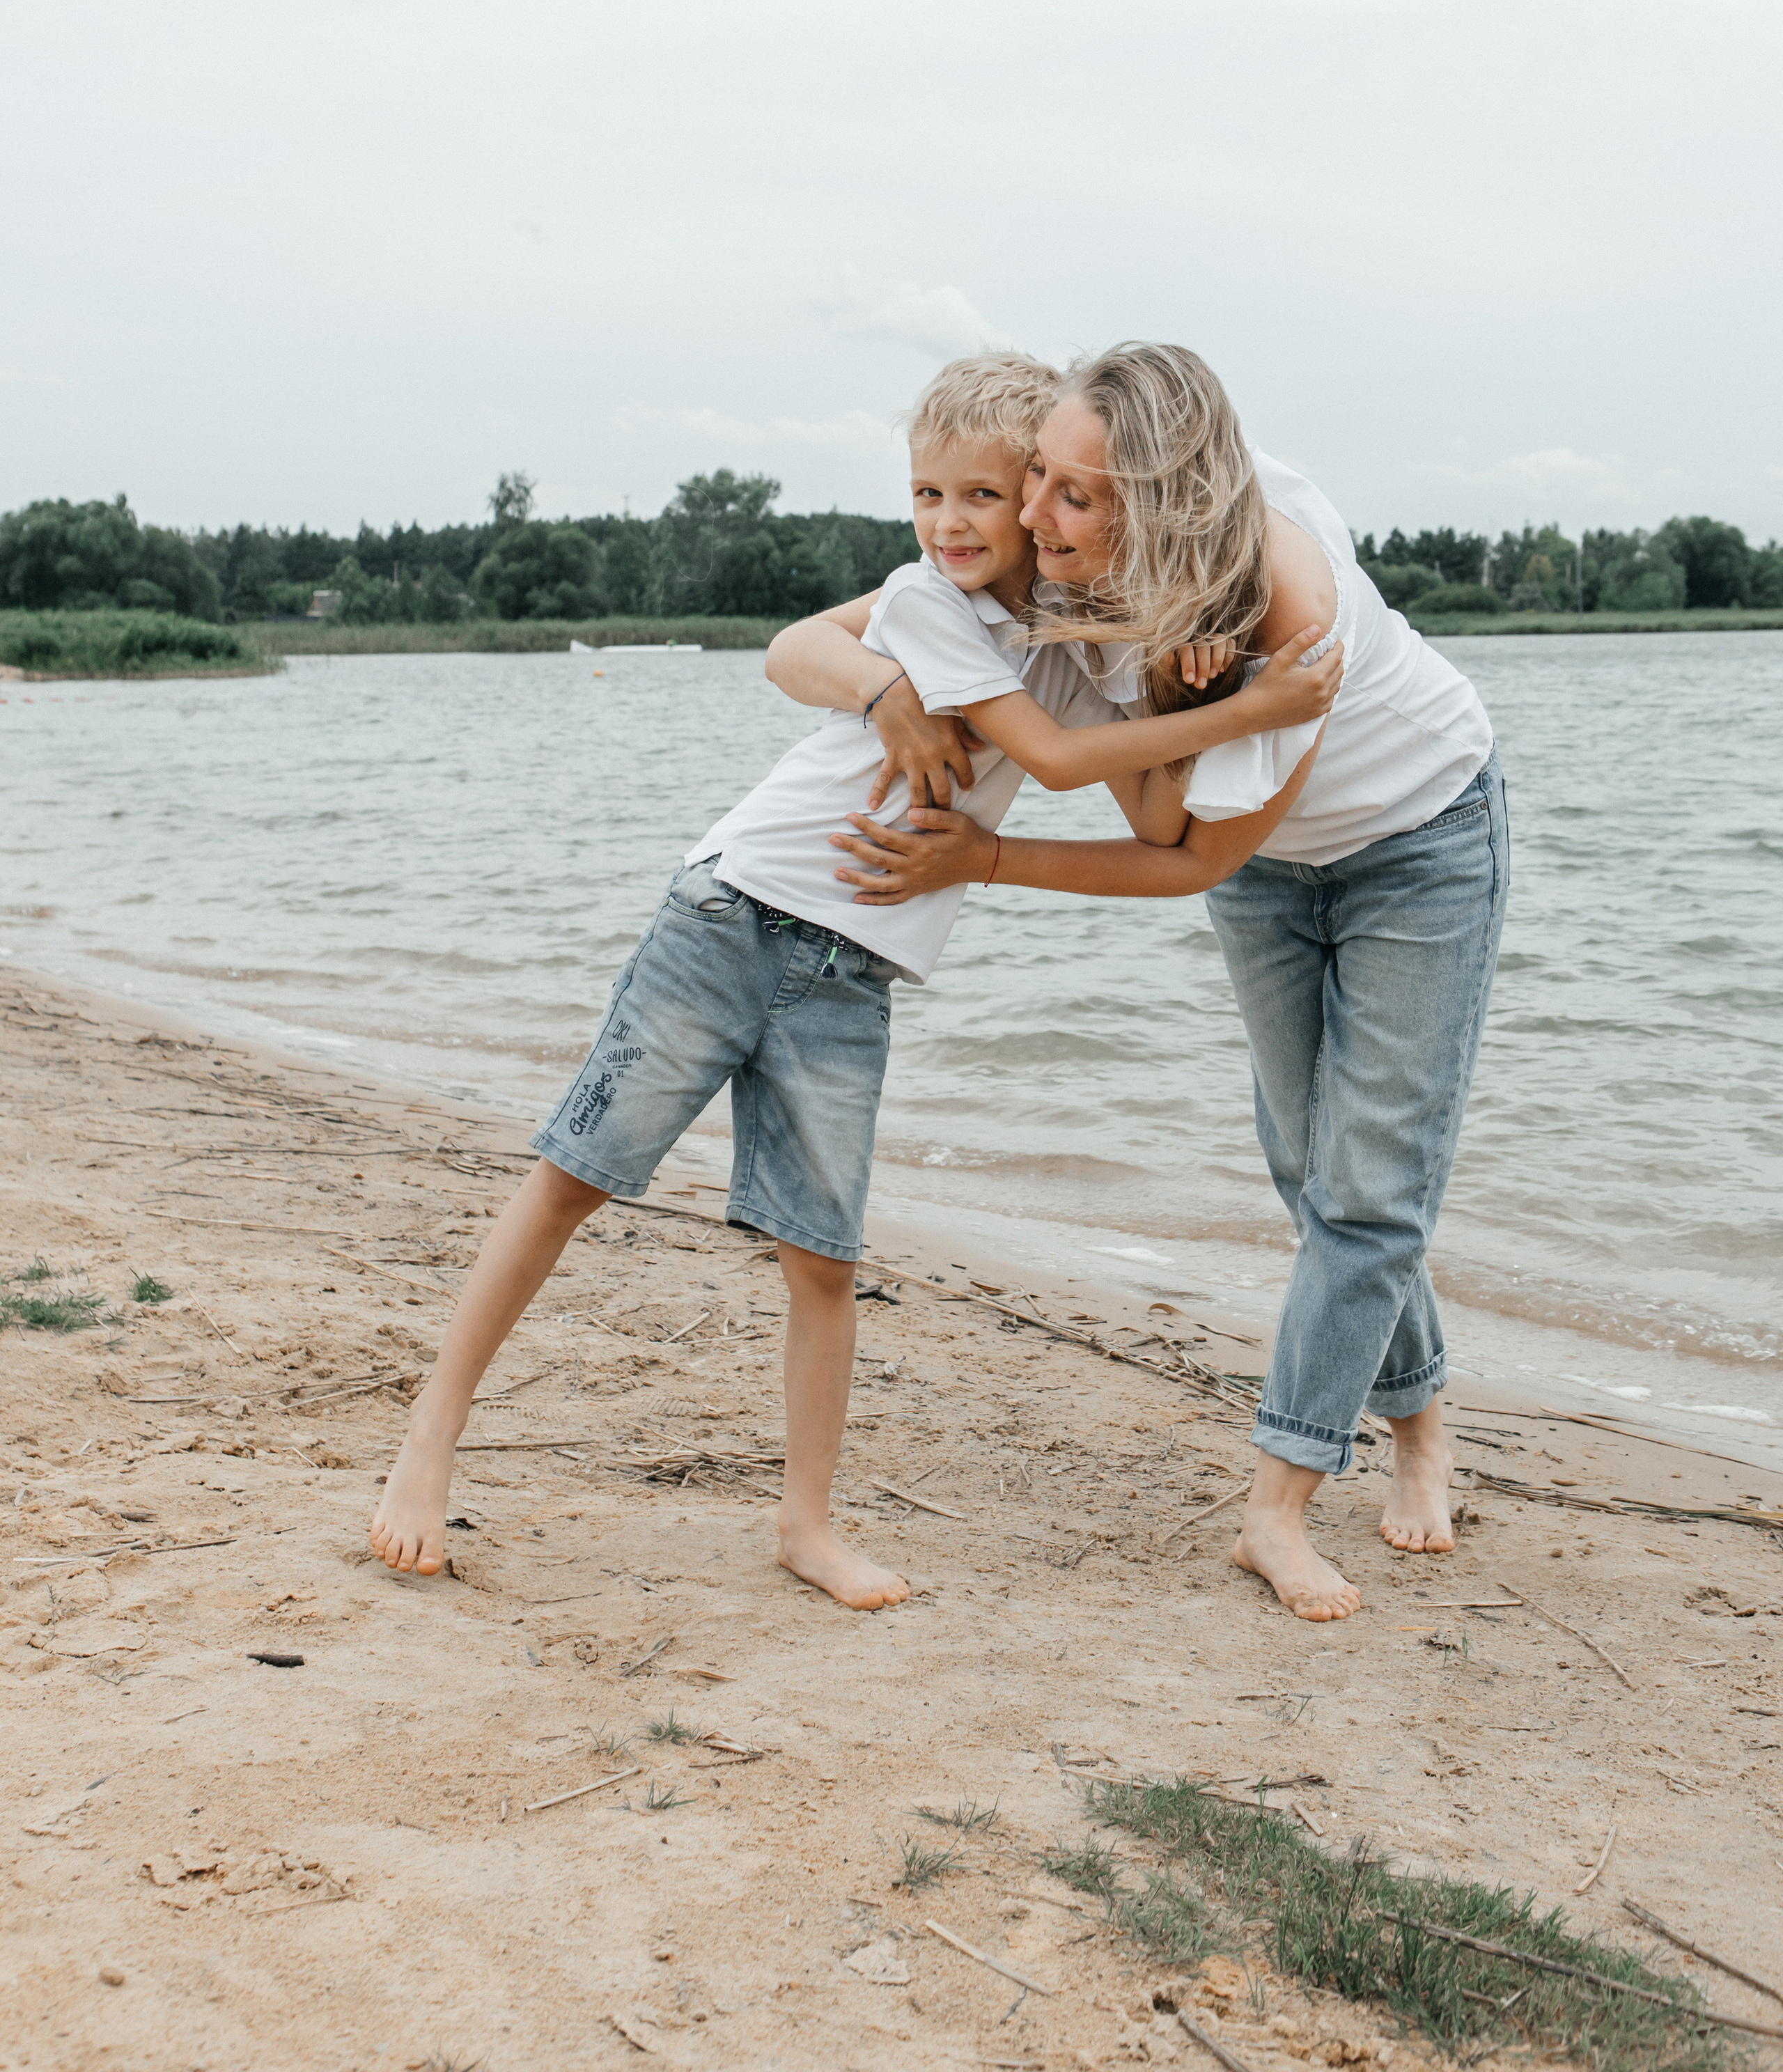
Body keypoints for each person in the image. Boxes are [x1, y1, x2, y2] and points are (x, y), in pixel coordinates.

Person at [368, 351, 1342, 1610]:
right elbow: (1048, 762)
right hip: (732, 915)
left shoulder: (1092, 650)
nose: (953, 524)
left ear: (1044, 503)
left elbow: (1156, 819)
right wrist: (1231, 713)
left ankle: (808, 1527)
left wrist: (1190, 680)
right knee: (572, 1179)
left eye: (986, 498)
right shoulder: (923, 603)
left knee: (823, 1258)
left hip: (854, 969)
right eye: (926, 495)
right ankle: (428, 1441)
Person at [766, 341, 1506, 1625]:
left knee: (1370, 1182)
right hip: (1277, 874)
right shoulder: (1078, 566)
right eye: (1036, 477)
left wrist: (985, 856)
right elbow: (803, 646)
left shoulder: (1287, 616)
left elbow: (1187, 857)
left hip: (1419, 843)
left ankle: (1279, 1507)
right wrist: (892, 692)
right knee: (1308, 1163)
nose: (1032, 514)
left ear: (1162, 498)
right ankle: (1421, 1407)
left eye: (1069, 494)